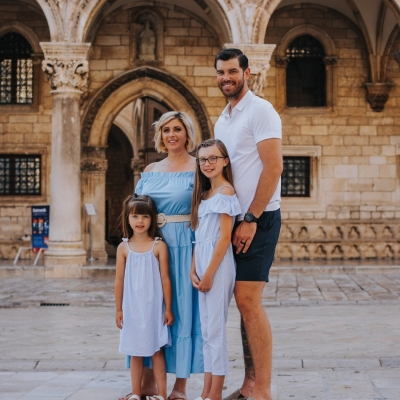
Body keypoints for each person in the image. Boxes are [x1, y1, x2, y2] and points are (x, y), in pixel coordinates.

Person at [214, 48, 283, 400]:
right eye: (221, 73)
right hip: (234, 220)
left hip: (260, 218)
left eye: (232, 72)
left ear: (247, 72)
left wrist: (252, 218)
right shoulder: (222, 120)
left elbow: (273, 168)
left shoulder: (261, 111)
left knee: (247, 300)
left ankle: (264, 391)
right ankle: (249, 384)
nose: (227, 78)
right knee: (242, 303)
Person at [120, 111, 203, 400]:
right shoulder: (151, 171)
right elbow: (137, 210)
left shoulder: (198, 167)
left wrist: (198, 257)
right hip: (150, 246)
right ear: (160, 135)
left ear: (187, 134)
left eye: (177, 129)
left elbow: (203, 214)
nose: (171, 134)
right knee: (147, 309)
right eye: (166, 129)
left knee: (180, 312)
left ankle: (179, 386)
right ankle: (148, 382)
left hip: (183, 245)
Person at [189, 139, 241, 400]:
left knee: (216, 329)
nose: (207, 164)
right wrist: (193, 268)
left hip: (218, 265)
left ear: (225, 161)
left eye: (213, 158)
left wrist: (209, 272)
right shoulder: (204, 195)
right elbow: (199, 237)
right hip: (202, 262)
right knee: (206, 330)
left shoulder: (226, 192)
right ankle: (207, 391)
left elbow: (223, 238)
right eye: (202, 159)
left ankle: (216, 393)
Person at [115, 194, 174, 400]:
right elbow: (119, 281)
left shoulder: (158, 246)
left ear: (152, 219)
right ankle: (136, 392)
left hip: (154, 308)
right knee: (135, 351)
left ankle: (162, 394)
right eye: (135, 216)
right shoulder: (124, 248)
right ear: (128, 219)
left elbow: (166, 279)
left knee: (157, 351)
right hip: (132, 307)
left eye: (145, 217)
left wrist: (168, 308)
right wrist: (119, 309)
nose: (140, 221)